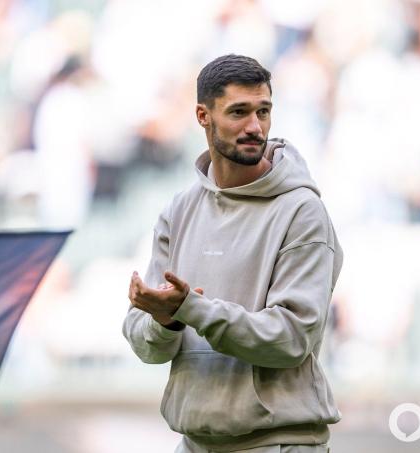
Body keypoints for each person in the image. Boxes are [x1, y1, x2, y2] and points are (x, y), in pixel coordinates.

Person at [123, 54, 343, 452]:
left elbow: (292, 338)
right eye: (239, 112)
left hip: (280, 443)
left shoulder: (302, 211)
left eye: (264, 111)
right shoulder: (179, 211)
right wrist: (165, 321)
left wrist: (192, 309)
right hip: (193, 442)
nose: (255, 126)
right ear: (203, 116)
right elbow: (146, 346)